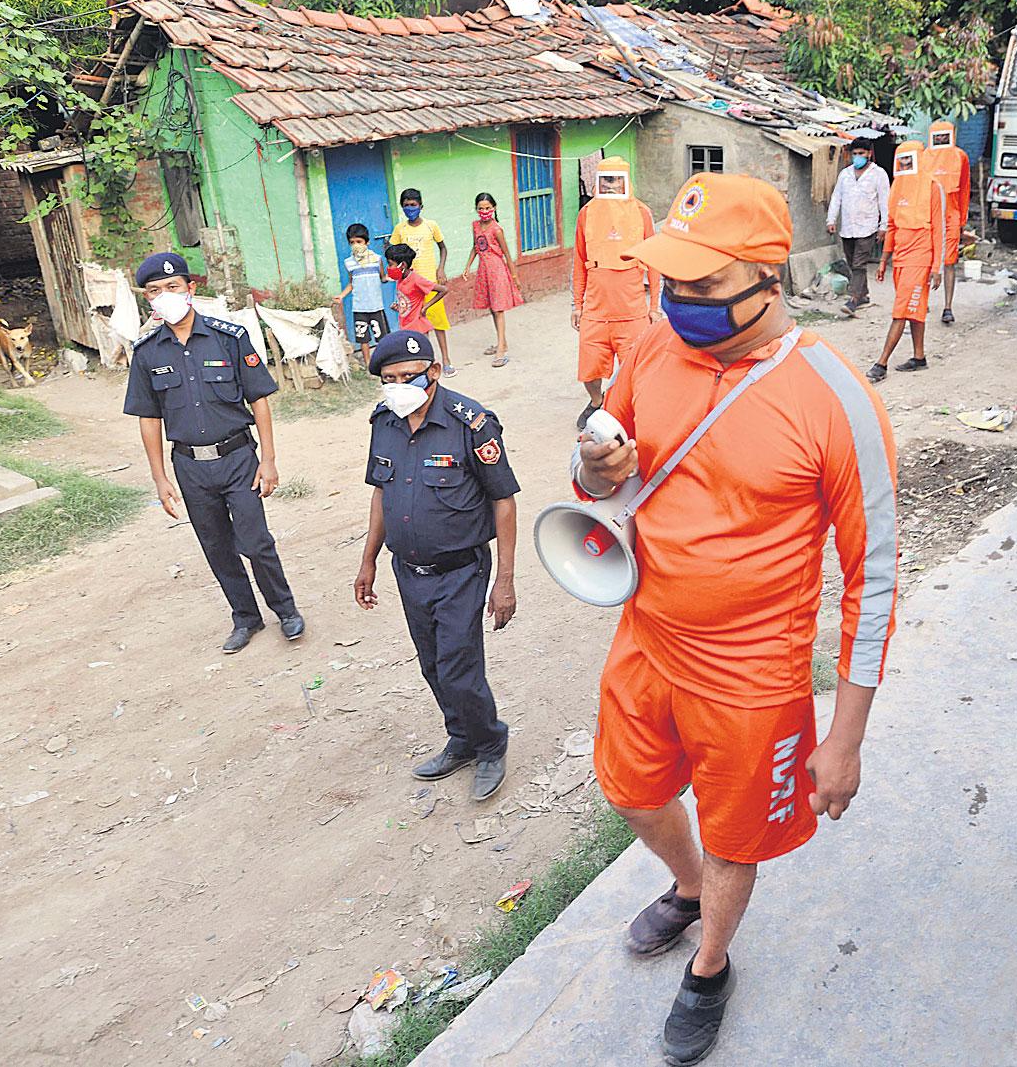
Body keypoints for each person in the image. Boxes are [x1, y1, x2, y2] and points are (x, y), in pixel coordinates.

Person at [575, 171, 897, 1066]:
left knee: (734, 834)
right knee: (630, 790)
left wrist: (846, 736)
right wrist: (593, 470)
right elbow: (599, 458)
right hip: (645, 634)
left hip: (753, 670)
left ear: (766, 276)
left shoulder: (836, 398)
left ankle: (710, 963)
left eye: (701, 283)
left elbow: (874, 579)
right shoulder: (653, 346)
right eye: (670, 279)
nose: (677, 299)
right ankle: (686, 886)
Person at [354, 329, 519, 801]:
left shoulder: (471, 423)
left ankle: (490, 745)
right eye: (389, 379)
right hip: (409, 570)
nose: (399, 386)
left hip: (461, 570)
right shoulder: (385, 422)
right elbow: (381, 493)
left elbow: (503, 500)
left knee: (458, 667)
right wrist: (368, 561)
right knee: (432, 665)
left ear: (433, 371)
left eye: (408, 376)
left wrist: (504, 581)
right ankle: (462, 738)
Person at [122, 252, 305, 652]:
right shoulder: (147, 352)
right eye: (155, 290)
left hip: (239, 460)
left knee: (255, 542)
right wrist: (159, 477)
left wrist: (269, 460)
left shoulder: (230, 337)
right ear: (147, 298)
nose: (165, 295)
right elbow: (148, 418)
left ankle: (285, 609)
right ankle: (246, 618)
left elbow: (259, 399)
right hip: (190, 466)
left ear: (190, 288)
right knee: (217, 547)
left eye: (173, 287)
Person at [571, 156, 659, 429]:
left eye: (615, 180)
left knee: (636, 368)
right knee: (589, 369)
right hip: (596, 310)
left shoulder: (641, 212)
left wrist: (654, 307)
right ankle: (596, 402)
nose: (610, 186)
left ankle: (627, 410)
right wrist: (577, 305)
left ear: (625, 181)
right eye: (605, 180)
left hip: (632, 310)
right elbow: (579, 261)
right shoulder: (587, 213)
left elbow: (654, 262)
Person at [868, 141, 945, 381]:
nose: (904, 165)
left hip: (920, 258)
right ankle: (919, 357)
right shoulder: (897, 186)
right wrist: (884, 260)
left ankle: (881, 363)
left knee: (901, 310)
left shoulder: (933, 187)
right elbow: (891, 226)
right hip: (900, 258)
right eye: (901, 160)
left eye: (908, 160)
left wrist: (937, 267)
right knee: (914, 307)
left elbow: (939, 230)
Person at [389, 188, 456, 375]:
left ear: (421, 206)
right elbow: (394, 254)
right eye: (406, 205)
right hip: (411, 285)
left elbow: (443, 248)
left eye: (413, 205)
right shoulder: (400, 229)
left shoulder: (431, 226)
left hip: (429, 281)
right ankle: (423, 362)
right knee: (416, 325)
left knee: (438, 322)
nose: (410, 208)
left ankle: (446, 359)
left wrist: (441, 268)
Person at [825, 136, 890, 316]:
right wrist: (831, 220)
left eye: (861, 153)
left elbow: (884, 201)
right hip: (848, 227)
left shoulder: (878, 174)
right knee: (852, 262)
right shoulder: (845, 174)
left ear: (869, 153)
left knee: (859, 264)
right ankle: (863, 295)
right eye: (855, 154)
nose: (858, 157)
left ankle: (853, 299)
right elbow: (836, 198)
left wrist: (884, 226)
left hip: (867, 227)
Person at [460, 192, 524, 368]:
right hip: (484, 271)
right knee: (491, 308)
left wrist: (514, 277)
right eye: (481, 208)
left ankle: (501, 350)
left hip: (497, 271)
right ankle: (502, 342)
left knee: (498, 309)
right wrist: (467, 266)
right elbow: (475, 247)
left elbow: (507, 255)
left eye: (488, 208)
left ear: (494, 208)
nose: (484, 211)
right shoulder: (475, 226)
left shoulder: (497, 230)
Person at [924, 120, 971, 324]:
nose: (942, 139)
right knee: (926, 260)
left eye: (945, 135)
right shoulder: (924, 156)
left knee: (950, 262)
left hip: (951, 215)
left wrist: (962, 220)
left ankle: (947, 307)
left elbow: (964, 189)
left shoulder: (960, 157)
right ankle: (923, 302)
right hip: (928, 216)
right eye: (939, 135)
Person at [333, 223, 388, 367]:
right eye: (352, 242)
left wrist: (393, 276)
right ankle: (368, 363)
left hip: (376, 306)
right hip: (359, 307)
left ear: (367, 242)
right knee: (363, 337)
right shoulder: (349, 263)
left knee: (381, 337)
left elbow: (383, 277)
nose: (356, 245)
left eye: (359, 241)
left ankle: (383, 361)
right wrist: (341, 296)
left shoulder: (377, 259)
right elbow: (352, 283)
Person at [384, 243, 447, 340]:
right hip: (405, 327)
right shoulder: (400, 279)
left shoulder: (416, 280)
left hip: (418, 329)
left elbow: (444, 290)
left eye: (390, 264)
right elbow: (409, 302)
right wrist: (399, 308)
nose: (388, 268)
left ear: (403, 265)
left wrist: (425, 307)